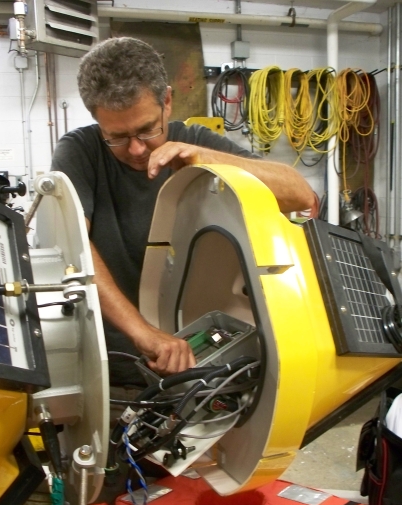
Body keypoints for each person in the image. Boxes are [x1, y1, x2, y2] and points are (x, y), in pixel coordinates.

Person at [51, 36, 314, 389]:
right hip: (111, 369)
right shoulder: (80, 152)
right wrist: (144, 333)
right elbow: (73, 245)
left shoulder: (196, 142)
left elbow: (299, 194)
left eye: (147, 129)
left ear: (168, 101)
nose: (136, 149)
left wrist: (207, 159)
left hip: (198, 363)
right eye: (117, 136)